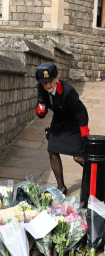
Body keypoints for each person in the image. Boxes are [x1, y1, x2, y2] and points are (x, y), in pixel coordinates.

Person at [35, 62, 90, 195]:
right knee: (52, 150)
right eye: (44, 82)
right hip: (59, 121)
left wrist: (85, 136)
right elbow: (41, 114)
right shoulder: (41, 88)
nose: (47, 85)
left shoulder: (69, 91)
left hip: (73, 123)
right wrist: (41, 103)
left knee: (79, 157)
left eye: (50, 81)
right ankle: (61, 187)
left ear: (57, 79)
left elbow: (81, 113)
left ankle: (98, 176)